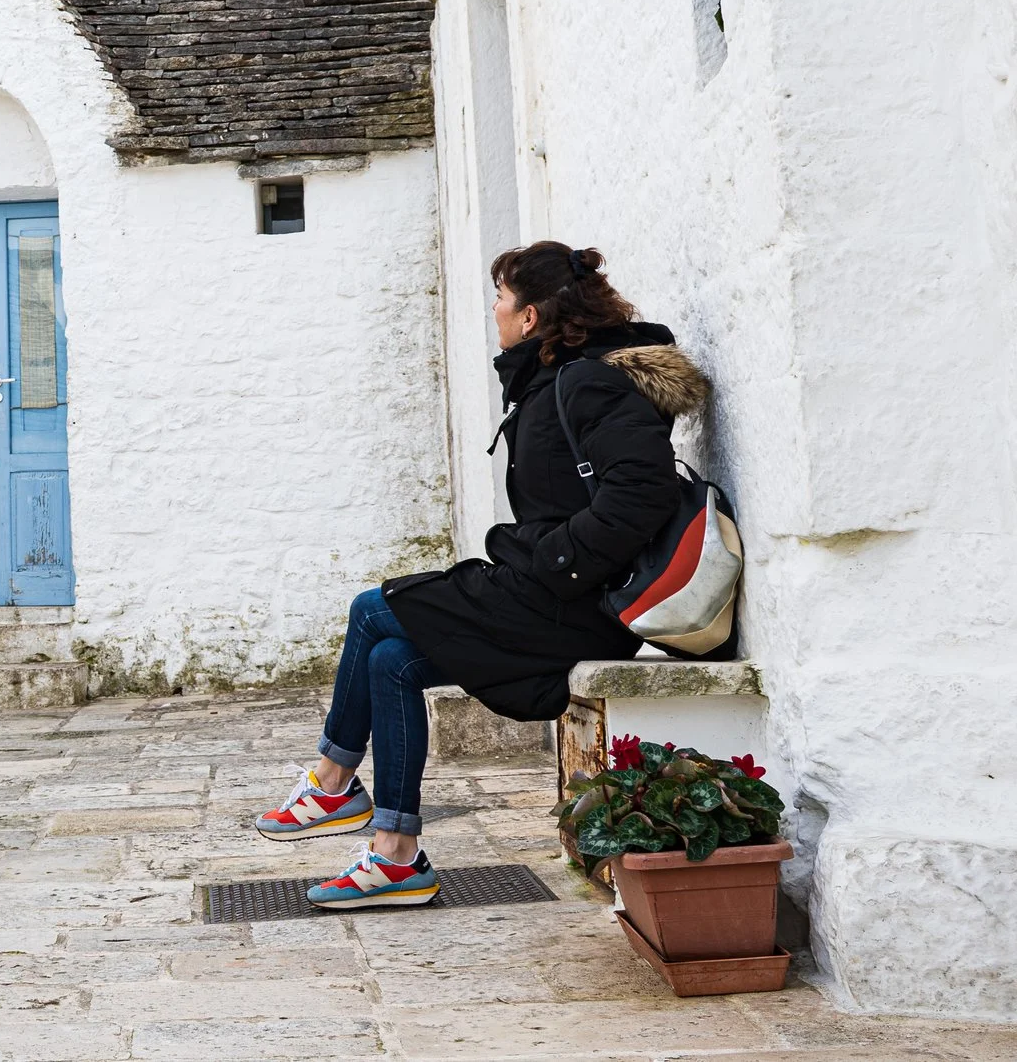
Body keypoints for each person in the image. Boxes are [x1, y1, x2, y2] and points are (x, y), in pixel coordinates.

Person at [254, 241, 710, 909]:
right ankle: (396, 853)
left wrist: (556, 560)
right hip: (549, 590)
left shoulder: (590, 380)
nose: (493, 310)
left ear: (530, 317)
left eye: (501, 297)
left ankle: (332, 781)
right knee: (392, 659)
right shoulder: (555, 378)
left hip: (569, 603)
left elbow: (641, 494)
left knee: (373, 607)